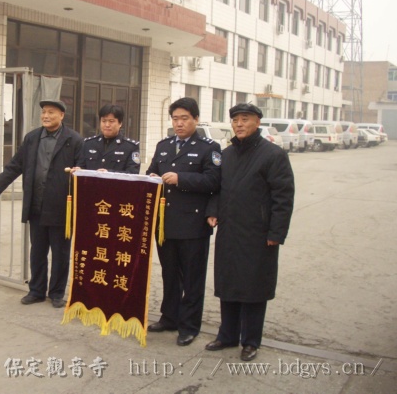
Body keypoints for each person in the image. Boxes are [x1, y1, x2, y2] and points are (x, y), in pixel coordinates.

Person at [205, 103, 294, 361]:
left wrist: (276, 232)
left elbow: (283, 197)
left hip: (258, 233)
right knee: (228, 284)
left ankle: (251, 341)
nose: (239, 124)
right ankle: (227, 335)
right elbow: (218, 189)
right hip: (230, 230)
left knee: (254, 288)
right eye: (235, 120)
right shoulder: (228, 154)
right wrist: (213, 211)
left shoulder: (273, 155)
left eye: (245, 119)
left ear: (257, 122)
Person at [0, 99, 83, 308]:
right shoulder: (32, 138)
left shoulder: (74, 140)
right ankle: (36, 290)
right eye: (43, 112)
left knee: (60, 253)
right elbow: (15, 165)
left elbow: (83, 169)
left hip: (61, 208)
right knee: (37, 251)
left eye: (51, 112)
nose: (46, 116)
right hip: (36, 205)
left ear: (61, 115)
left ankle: (56, 293)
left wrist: (79, 174)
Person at [146, 97, 222, 346]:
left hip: (192, 224)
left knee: (192, 278)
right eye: (175, 119)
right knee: (169, 274)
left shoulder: (209, 148)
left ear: (196, 119)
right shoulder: (164, 145)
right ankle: (169, 318)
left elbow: (214, 181)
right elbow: (151, 172)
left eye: (184, 118)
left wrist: (181, 179)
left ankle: (189, 326)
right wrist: (152, 177)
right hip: (165, 224)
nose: (179, 123)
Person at [79, 104, 140, 174]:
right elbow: (81, 166)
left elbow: (133, 173)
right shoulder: (88, 144)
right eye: (104, 121)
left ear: (120, 123)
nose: (107, 125)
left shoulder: (130, 147)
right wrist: (78, 170)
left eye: (111, 121)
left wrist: (109, 173)